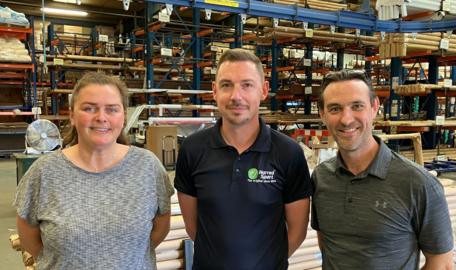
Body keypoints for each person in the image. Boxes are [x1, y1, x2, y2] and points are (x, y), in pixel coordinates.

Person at [15, 72, 174, 269]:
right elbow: (30, 240)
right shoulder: (44, 172)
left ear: (123, 116)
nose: (101, 117)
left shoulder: (148, 167)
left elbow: (159, 229)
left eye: (112, 109)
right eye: (89, 108)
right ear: (72, 116)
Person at [174, 48, 312, 270]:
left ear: (264, 91)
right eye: (226, 85)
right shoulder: (193, 149)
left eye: (247, 85)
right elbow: (194, 227)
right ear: (214, 91)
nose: (236, 96)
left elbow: (297, 231)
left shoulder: (288, 153)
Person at [311, 69, 454, 269]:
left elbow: (442, 263)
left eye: (357, 106)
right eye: (335, 109)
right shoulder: (321, 178)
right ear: (322, 114)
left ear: (374, 107)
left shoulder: (418, 184)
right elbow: (328, 245)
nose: (346, 119)